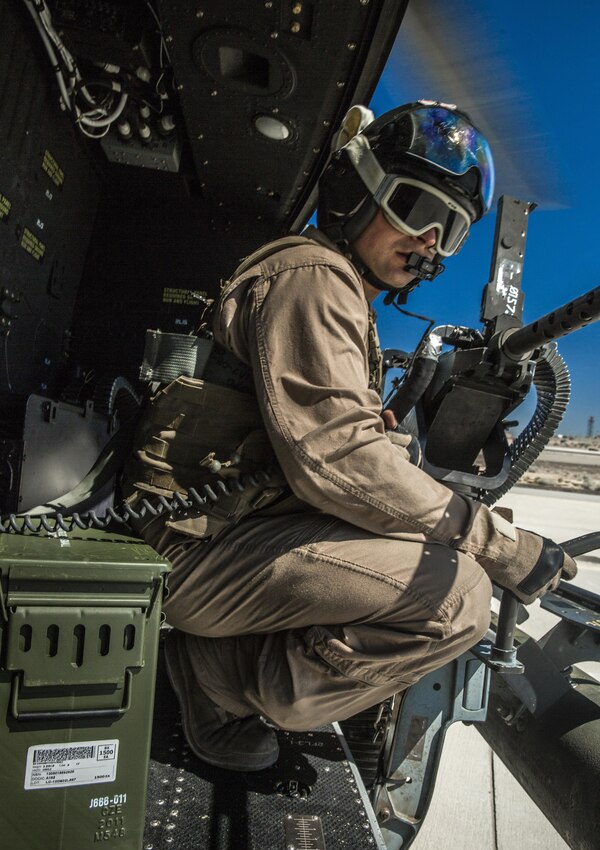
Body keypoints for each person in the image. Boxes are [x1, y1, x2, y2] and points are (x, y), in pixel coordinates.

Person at [122, 100, 576, 771]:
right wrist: (499, 545)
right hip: (194, 551)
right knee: (457, 597)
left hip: (223, 532)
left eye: (449, 230)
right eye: (416, 207)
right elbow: (338, 461)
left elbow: (333, 447)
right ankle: (220, 678)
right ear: (358, 188)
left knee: (432, 539)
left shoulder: (332, 290)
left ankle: (234, 663)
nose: (428, 240)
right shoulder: (313, 276)